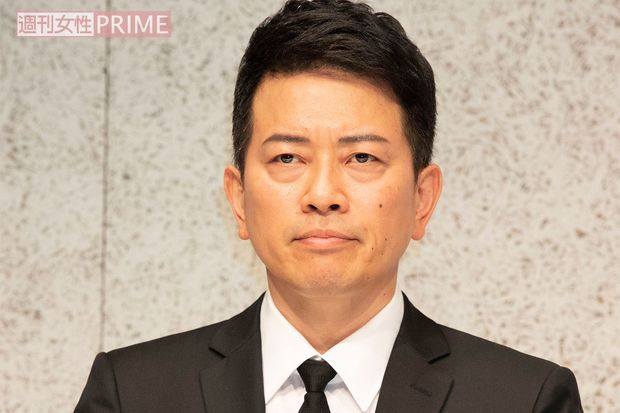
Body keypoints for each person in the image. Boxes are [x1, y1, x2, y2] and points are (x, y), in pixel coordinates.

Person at [75, 0, 584, 412]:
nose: (323, 195)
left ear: (422, 199)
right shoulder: (131, 394)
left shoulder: (525, 399)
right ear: (239, 198)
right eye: (288, 157)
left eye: (361, 157)